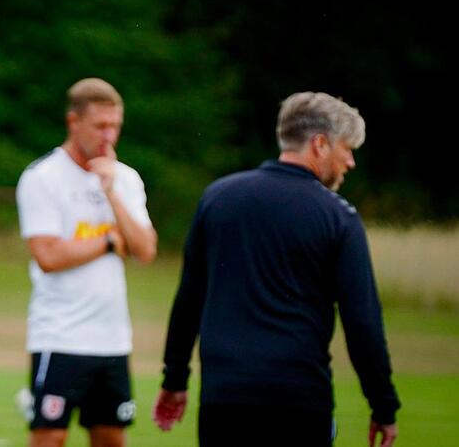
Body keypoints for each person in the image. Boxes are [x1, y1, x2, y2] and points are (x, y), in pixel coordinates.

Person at [153, 92, 400, 447]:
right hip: (298, 402)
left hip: (224, 399)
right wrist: (383, 405)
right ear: (319, 144)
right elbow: (362, 321)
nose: (350, 162)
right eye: (347, 149)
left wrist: (174, 379)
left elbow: (190, 298)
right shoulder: (338, 217)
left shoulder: (218, 198)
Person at [16, 78, 158, 447]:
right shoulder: (42, 177)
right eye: (100, 126)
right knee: (49, 437)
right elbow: (48, 256)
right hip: (60, 335)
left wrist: (111, 193)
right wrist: (111, 240)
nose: (109, 135)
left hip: (112, 340)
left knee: (111, 437)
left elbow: (145, 250)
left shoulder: (125, 179)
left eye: (115, 126)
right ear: (73, 122)